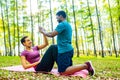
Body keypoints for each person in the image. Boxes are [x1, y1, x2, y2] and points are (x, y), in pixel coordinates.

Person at [39, 10, 95, 76]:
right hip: (67, 49)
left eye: (57, 17)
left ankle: (86, 65)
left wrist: (43, 31)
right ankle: (84, 66)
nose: (56, 19)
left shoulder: (62, 24)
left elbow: (51, 34)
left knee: (63, 72)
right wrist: (45, 31)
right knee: (68, 69)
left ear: (61, 16)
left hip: (64, 50)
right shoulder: (67, 24)